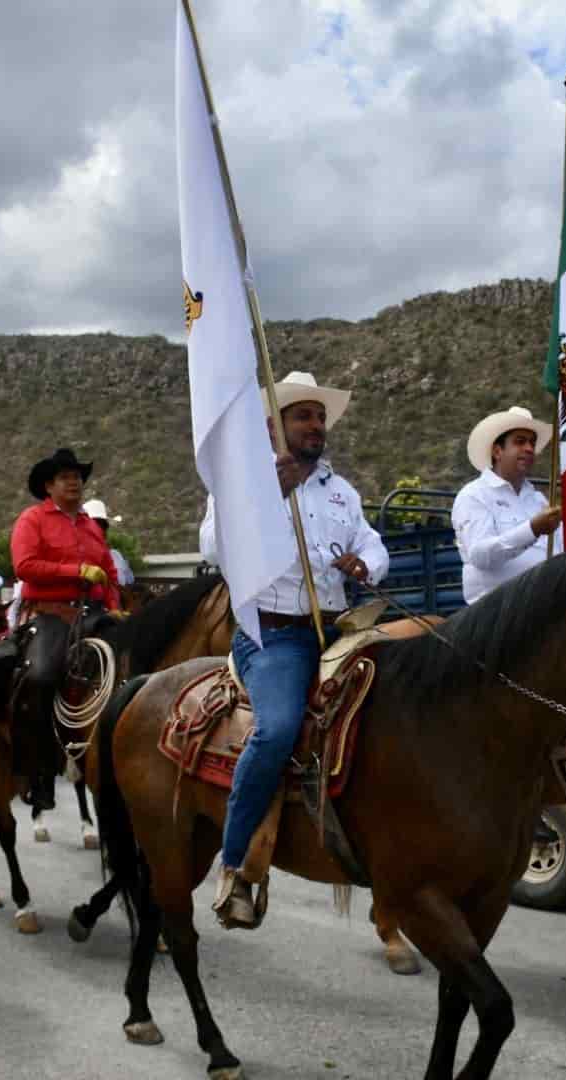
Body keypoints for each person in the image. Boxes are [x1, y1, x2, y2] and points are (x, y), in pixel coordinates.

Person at [199, 371, 388, 929]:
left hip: (339, 627)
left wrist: (366, 565)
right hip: (273, 634)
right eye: (303, 416)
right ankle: (235, 864)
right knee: (278, 730)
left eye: (319, 417)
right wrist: (265, 496)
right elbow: (211, 548)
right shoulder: (242, 480)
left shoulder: (340, 489)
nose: (315, 426)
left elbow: (371, 543)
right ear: (273, 426)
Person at [9, 448, 123, 810]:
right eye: (64, 477)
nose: (74, 481)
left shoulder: (91, 526)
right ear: (49, 486)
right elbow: (24, 565)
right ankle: (40, 768)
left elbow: (111, 572)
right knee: (41, 675)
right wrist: (75, 572)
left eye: (77, 476)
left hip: (95, 612)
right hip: (51, 614)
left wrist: (116, 607)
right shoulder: (32, 520)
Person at [450, 406, 563, 604]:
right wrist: (533, 529)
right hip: (495, 615)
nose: (529, 448)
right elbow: (480, 555)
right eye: (520, 441)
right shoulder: (473, 495)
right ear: (497, 451)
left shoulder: (539, 500)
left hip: (545, 608)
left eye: (532, 443)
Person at [83, 500, 136, 587]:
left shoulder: (116, 555)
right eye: (95, 525)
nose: (99, 530)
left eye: (103, 526)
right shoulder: (77, 557)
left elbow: (129, 582)